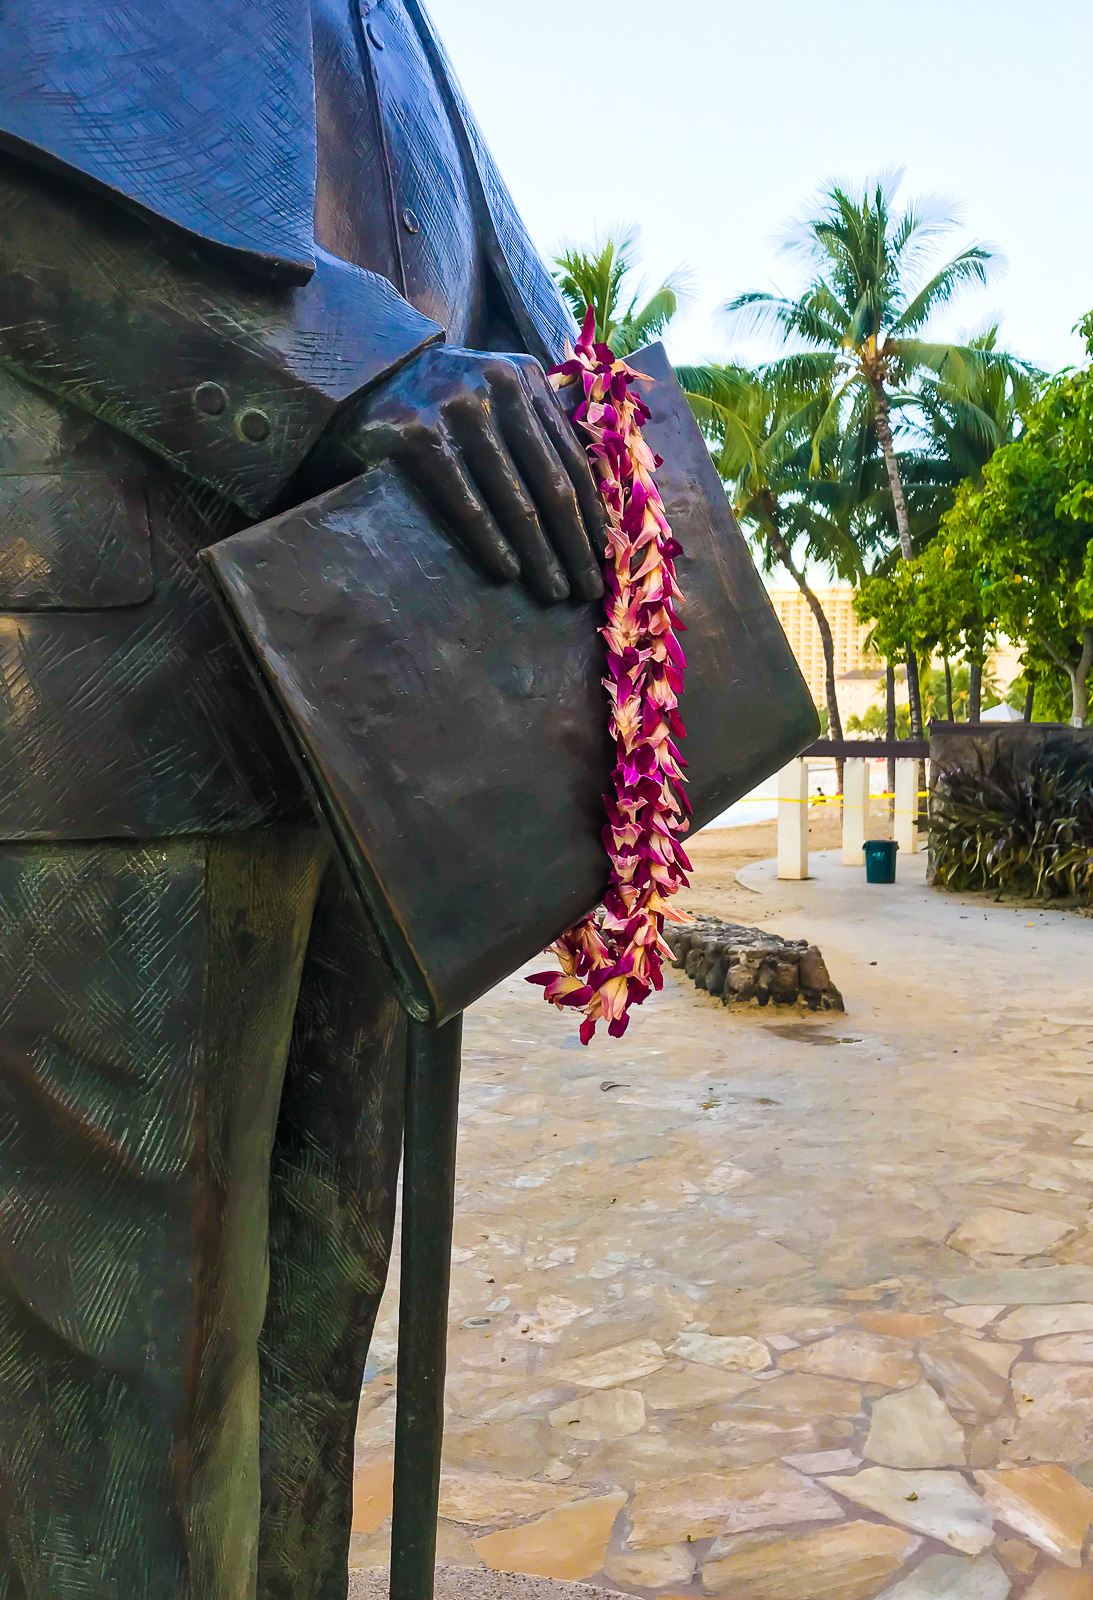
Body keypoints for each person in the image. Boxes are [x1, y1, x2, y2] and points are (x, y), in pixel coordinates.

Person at [0, 1, 603, 1594]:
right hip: (117, 685)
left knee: (316, 1333)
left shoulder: (401, 29)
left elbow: (509, 327)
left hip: (377, 713)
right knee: (138, 1373)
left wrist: (599, 450)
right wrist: (365, 379)